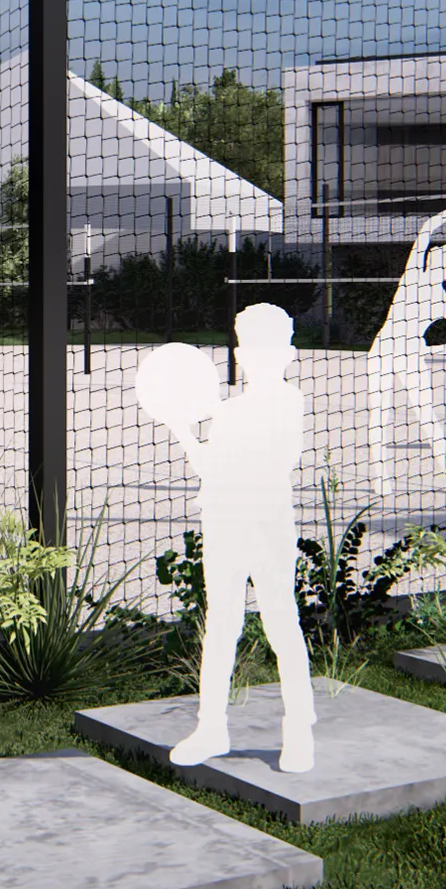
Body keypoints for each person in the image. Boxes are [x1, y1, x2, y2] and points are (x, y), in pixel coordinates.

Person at [137, 303, 316, 774]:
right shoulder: (231, 411)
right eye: (248, 347)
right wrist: (184, 428)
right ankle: (211, 728)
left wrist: (202, 438)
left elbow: (261, 462)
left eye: (266, 348)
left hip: (266, 525)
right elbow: (211, 468)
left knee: (281, 622)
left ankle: (299, 729)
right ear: (240, 353)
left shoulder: (287, 401)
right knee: (221, 626)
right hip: (225, 525)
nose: (254, 356)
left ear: (288, 354)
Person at [363, 201, 446, 498]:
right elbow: (426, 229)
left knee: (426, 417)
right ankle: (381, 479)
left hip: (410, 355)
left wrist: (428, 350)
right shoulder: (413, 275)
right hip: (383, 350)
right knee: (381, 414)